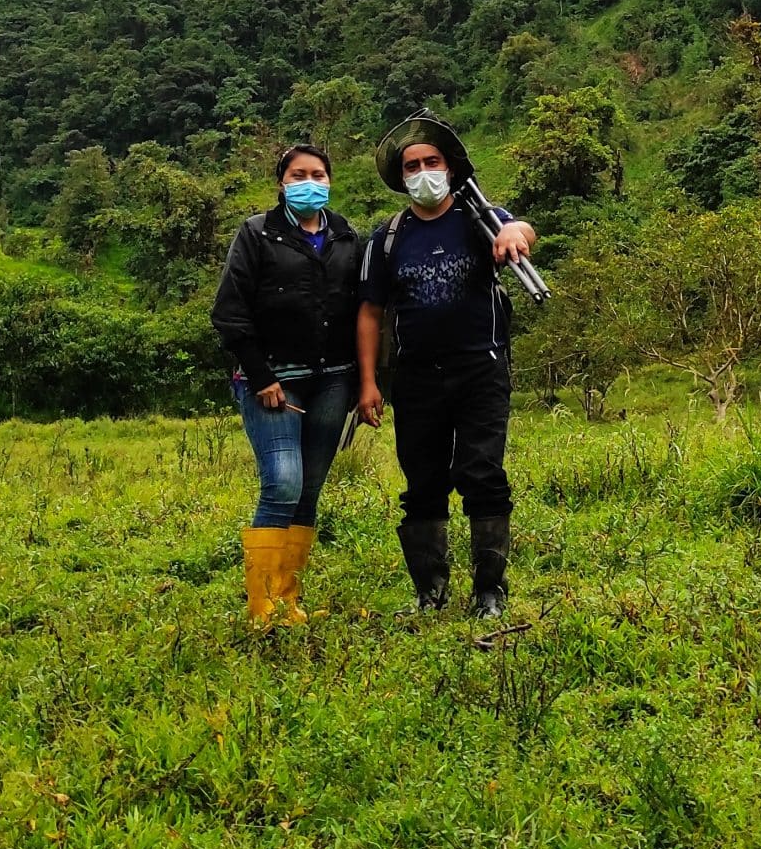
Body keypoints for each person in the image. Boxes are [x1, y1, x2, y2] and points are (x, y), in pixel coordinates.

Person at [355, 115, 538, 618]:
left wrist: (513, 236)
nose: (422, 172)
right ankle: (429, 593)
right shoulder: (387, 238)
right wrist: (369, 382)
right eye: (411, 166)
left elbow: (521, 227)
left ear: (450, 168)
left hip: (482, 367)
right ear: (402, 177)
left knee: (482, 472)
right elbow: (370, 313)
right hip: (415, 376)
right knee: (422, 482)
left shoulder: (480, 217)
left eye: (431, 162)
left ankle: (489, 592)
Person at [210, 143, 368, 625]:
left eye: (318, 173)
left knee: (308, 491)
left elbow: (365, 313)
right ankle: (262, 607)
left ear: (329, 180)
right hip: (275, 381)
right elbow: (230, 312)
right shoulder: (257, 234)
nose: (309, 181)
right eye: (298, 174)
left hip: (334, 380)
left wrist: (367, 383)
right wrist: (261, 376)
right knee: (282, 482)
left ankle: (288, 600)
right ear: (281, 182)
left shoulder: (346, 237)